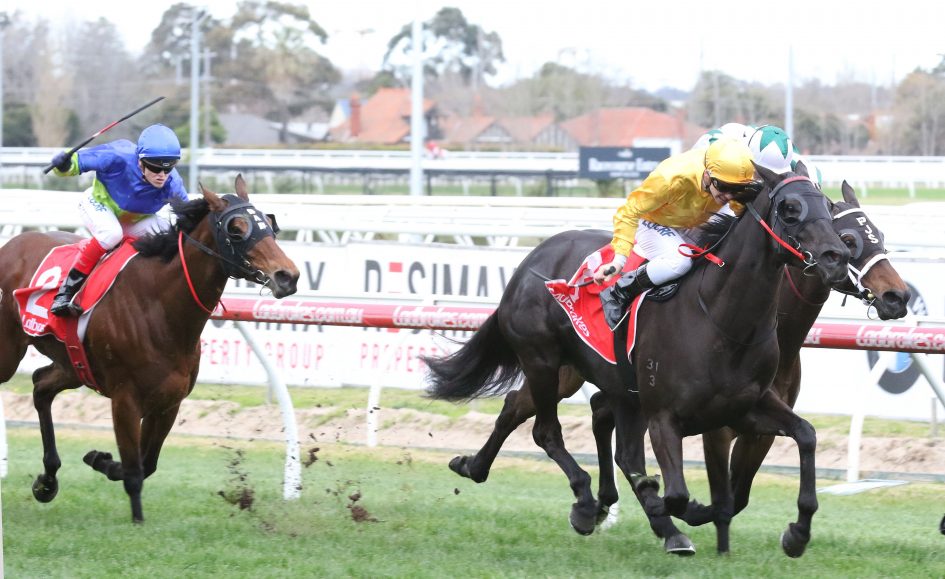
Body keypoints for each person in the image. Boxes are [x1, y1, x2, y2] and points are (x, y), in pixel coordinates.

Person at [593, 138, 761, 328]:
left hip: (691, 220)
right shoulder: (670, 179)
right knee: (680, 261)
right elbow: (629, 211)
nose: (729, 196)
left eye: (736, 189)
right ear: (707, 175)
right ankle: (619, 291)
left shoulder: (729, 181)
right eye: (724, 187)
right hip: (652, 221)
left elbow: (741, 210)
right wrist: (619, 260)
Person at [47, 123, 188, 317]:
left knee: (169, 235)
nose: (162, 176)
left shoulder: (173, 183)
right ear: (140, 162)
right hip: (98, 205)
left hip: (134, 220)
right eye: (155, 168)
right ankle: (66, 292)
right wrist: (63, 165)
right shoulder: (117, 156)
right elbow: (75, 164)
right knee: (111, 234)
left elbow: (187, 215)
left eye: (168, 168)